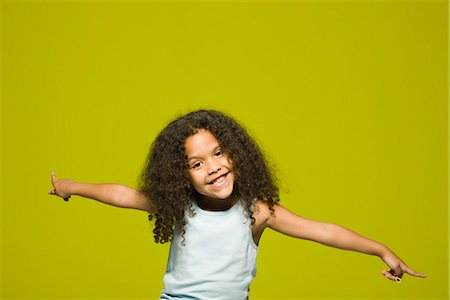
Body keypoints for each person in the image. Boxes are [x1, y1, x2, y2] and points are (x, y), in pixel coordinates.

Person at [48, 109, 426, 299]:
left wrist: (380, 250)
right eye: (197, 164)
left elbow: (322, 231)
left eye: (218, 153)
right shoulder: (179, 205)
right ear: (181, 176)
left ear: (236, 154)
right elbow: (119, 193)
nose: (212, 168)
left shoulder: (256, 213)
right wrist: (72, 186)